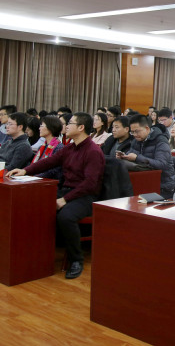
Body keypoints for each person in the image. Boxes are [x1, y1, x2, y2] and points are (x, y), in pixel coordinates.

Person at [7, 112, 104, 279]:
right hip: (67, 190)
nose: (66, 126)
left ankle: (76, 260)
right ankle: (36, 253)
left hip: (85, 196)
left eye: (70, 123)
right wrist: (25, 170)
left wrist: (65, 199)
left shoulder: (93, 151)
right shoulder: (70, 147)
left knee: (66, 217)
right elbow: (49, 161)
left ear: (81, 127)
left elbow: (90, 184)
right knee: (35, 204)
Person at [118, 115, 175, 199]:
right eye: (132, 132)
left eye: (137, 131)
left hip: (162, 186)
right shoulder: (136, 141)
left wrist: (137, 158)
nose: (134, 135)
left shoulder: (161, 141)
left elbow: (161, 164)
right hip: (142, 182)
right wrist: (124, 156)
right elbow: (132, 154)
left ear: (147, 128)